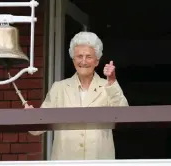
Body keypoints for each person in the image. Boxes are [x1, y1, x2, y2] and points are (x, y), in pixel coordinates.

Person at [24, 31, 129, 160]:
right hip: (66, 161)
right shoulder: (59, 88)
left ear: (97, 61)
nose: (83, 61)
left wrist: (112, 81)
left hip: (98, 161)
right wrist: (30, 117)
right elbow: (37, 129)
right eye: (79, 56)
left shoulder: (107, 87)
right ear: (73, 59)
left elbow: (124, 116)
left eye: (89, 56)